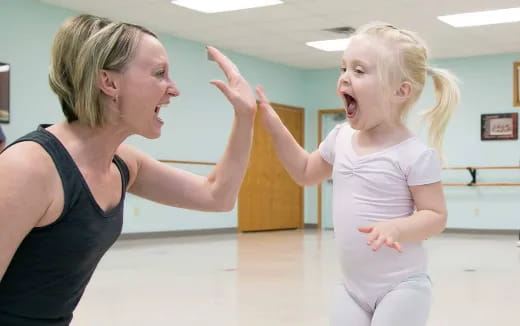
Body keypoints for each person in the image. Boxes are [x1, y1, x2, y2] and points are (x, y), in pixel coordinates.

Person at [0, 14, 257, 325]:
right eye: (160, 73)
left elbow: (217, 196)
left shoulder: (122, 162)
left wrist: (246, 116)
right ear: (109, 82)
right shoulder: (28, 168)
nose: (173, 90)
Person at [256, 22, 459, 326]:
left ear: (400, 91)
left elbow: (435, 215)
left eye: (359, 71)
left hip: (402, 286)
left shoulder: (414, 154)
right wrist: (274, 124)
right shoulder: (339, 138)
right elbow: (304, 172)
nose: (344, 79)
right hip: (352, 288)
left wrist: (398, 229)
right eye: (344, 68)